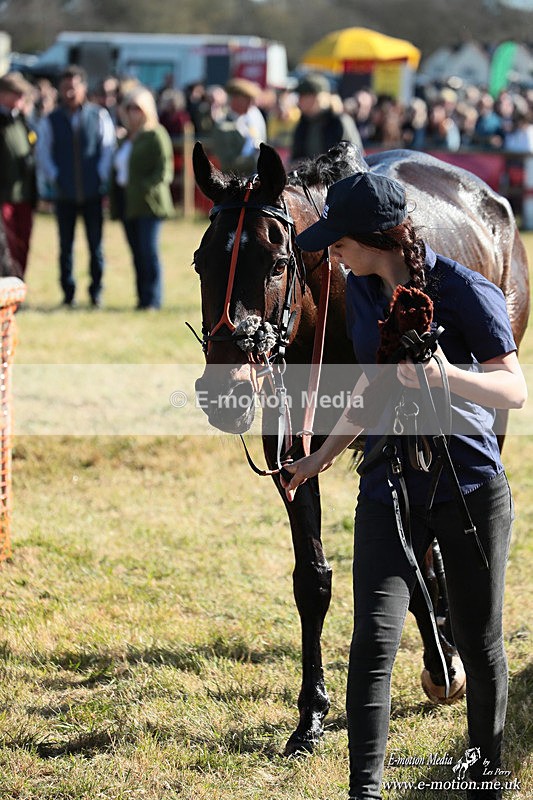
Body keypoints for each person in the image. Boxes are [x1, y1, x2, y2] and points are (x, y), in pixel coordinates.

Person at [280, 172, 527, 800]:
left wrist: (447, 377)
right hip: (389, 484)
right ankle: (364, 791)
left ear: (376, 238)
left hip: (469, 488)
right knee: (372, 640)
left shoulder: (466, 291)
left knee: (479, 644)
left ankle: (483, 781)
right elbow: (372, 384)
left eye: (339, 240)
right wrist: (320, 457)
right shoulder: (363, 291)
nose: (332, 251)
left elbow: (513, 389)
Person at [36, 65, 116, 307]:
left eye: (74, 87)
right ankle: (68, 293)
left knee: (96, 246)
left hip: (92, 192)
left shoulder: (98, 115)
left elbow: (107, 148)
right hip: (65, 194)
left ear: (83, 87)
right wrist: (57, 177)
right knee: (65, 247)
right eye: (65, 88)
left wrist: (99, 176)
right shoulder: (51, 120)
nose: (70, 92)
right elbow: (43, 153)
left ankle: (96, 292)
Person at [109, 85, 174, 310]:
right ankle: (142, 298)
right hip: (128, 203)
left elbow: (164, 171)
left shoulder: (156, 134)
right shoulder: (126, 137)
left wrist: (143, 187)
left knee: (148, 252)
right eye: (129, 108)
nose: (133, 113)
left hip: (149, 204)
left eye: (137, 108)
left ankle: (153, 299)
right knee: (137, 253)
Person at [0, 71, 37, 278]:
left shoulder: (21, 119)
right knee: (8, 247)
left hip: (24, 194)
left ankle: (18, 285)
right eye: (17, 93)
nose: (21, 98)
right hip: (4, 196)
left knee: (22, 245)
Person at [290, 73, 363, 166]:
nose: (299, 101)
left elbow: (353, 159)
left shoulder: (339, 122)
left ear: (317, 97)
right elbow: (296, 157)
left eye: (303, 96)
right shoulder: (303, 124)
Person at [211, 77, 266, 174]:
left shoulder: (249, 122)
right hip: (235, 180)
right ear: (234, 100)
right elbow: (227, 164)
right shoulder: (222, 126)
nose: (251, 103)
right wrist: (256, 159)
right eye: (247, 99)